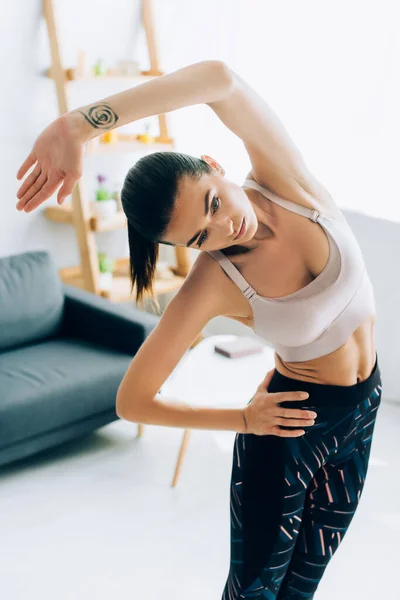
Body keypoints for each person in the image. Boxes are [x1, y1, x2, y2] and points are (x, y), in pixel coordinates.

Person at [15, 60, 382, 599]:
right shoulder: (216, 280)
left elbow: (219, 79)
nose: (223, 228)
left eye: (213, 202)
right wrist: (241, 418)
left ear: (214, 165)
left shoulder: (286, 180)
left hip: (363, 408)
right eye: (199, 237)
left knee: (305, 586)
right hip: (287, 434)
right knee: (254, 591)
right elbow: (131, 400)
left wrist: (79, 124)